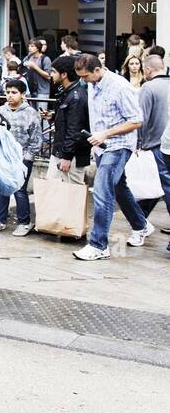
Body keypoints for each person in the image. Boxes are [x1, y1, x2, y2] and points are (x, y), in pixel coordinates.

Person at [71, 53, 155, 261]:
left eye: (85, 76)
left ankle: (99, 245)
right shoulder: (91, 84)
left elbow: (136, 120)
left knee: (102, 192)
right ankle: (141, 224)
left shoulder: (120, 86)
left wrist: (105, 134)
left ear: (97, 71)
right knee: (119, 188)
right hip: (101, 147)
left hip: (118, 146)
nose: (83, 80)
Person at [0, 78, 42, 236]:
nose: (10, 96)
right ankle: (0, 219)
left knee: (20, 189)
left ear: (23, 95)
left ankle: (24, 222)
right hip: (3, 155)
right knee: (2, 187)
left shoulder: (31, 113)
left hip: (23, 156)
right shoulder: (0, 112)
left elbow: (37, 139)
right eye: (8, 92)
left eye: (14, 92)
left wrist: (28, 157)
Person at [134, 53, 169, 226]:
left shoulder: (148, 87)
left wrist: (138, 143)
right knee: (158, 186)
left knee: (162, 187)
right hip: (164, 144)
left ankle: (139, 222)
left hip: (156, 145)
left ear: (148, 69)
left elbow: (141, 119)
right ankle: (139, 221)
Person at [47, 55, 90, 185]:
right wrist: (54, 116)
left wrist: (67, 157)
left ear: (64, 74)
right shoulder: (68, 93)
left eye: (54, 71)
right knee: (54, 190)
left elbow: (75, 129)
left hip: (71, 155)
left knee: (71, 193)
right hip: (63, 151)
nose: (51, 75)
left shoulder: (76, 96)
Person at [22, 38, 53, 109]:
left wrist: (35, 67)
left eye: (32, 46)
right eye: (29, 46)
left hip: (42, 90)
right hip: (30, 89)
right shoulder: (28, 57)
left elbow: (48, 76)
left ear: (38, 47)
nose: (30, 48)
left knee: (41, 113)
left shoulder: (45, 59)